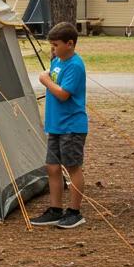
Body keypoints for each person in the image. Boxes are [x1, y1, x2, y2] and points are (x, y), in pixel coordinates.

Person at [32, 20, 89, 229]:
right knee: (52, 167)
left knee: (72, 167)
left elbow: (64, 94)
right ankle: (55, 210)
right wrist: (48, 76)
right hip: (55, 125)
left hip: (72, 126)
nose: (53, 49)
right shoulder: (57, 61)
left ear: (70, 44)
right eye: (52, 45)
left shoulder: (75, 65)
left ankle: (74, 212)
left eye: (56, 45)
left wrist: (45, 80)